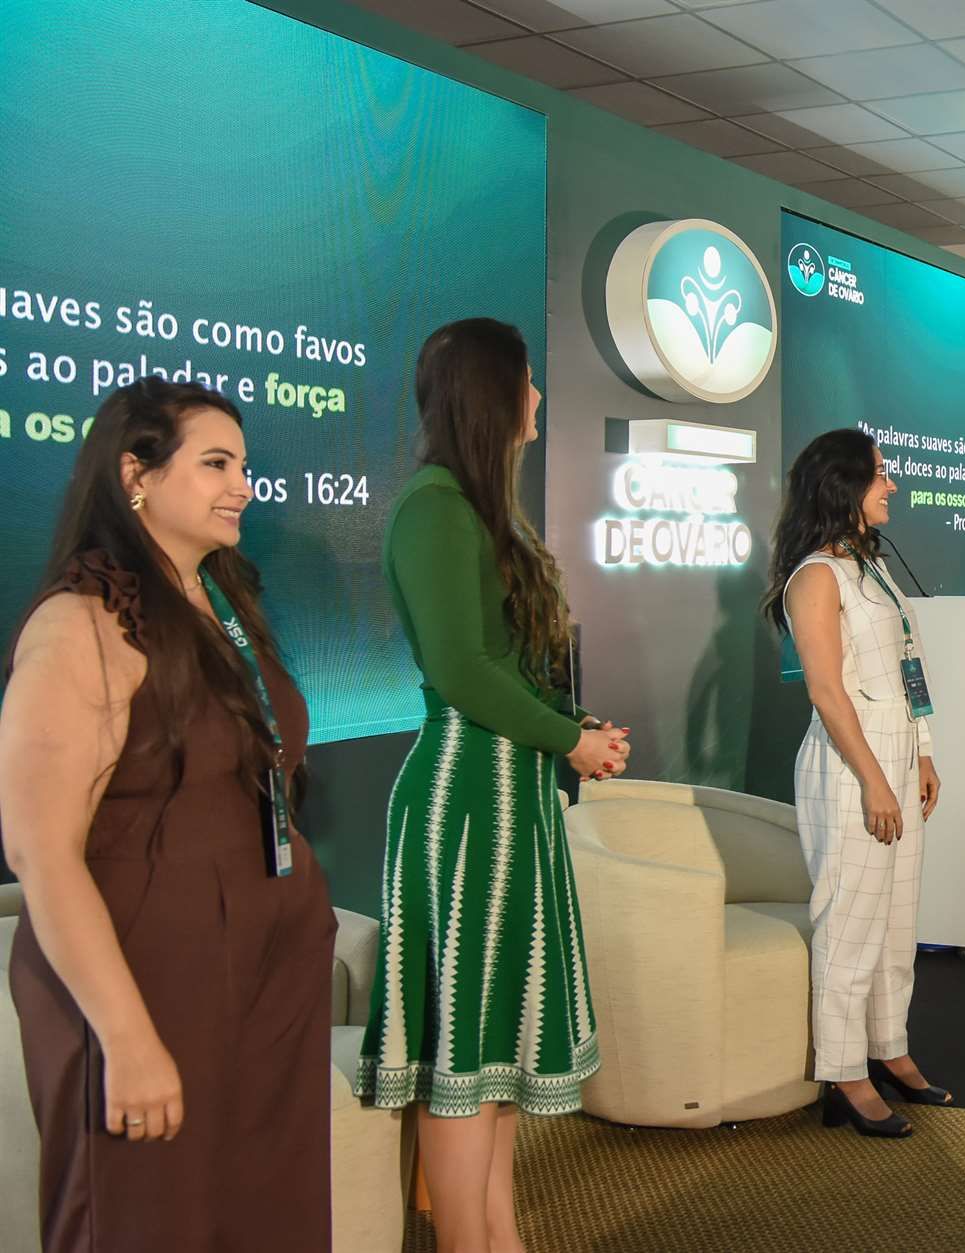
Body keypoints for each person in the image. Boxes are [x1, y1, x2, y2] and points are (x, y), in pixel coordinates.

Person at [1, 378, 335, 1250]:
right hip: (148, 975)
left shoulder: (220, 604)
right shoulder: (81, 622)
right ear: (135, 475)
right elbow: (41, 851)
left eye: (245, 466)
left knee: (261, 1216)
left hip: (263, 974)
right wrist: (128, 1037)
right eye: (217, 464)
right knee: (146, 1218)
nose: (243, 487)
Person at [353, 319, 627, 1253]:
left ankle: (499, 1237)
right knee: (464, 1059)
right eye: (528, 380)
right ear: (490, 392)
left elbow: (508, 666)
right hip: (466, 803)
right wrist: (569, 739)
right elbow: (462, 672)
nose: (539, 397)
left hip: (513, 800)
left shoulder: (475, 509)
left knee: (497, 1054)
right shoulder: (433, 508)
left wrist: (575, 729)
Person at [762, 429, 948, 1139]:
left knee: (896, 923)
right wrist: (874, 780)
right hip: (849, 768)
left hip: (895, 758)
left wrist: (921, 753)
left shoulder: (872, 565)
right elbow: (826, 691)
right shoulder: (816, 576)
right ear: (842, 485)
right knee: (850, 922)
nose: (891, 485)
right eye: (878, 474)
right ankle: (843, 1073)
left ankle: (889, 1046)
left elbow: (908, 666)